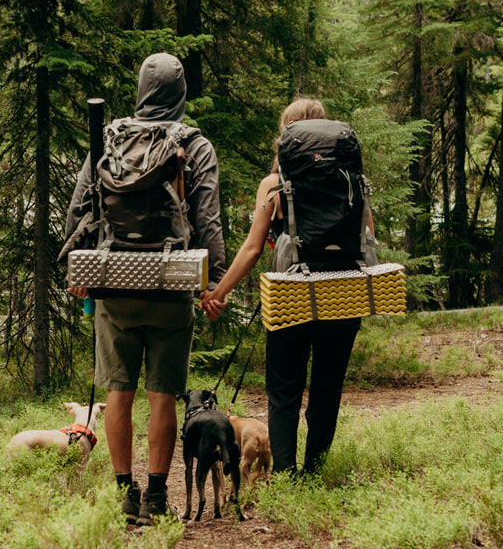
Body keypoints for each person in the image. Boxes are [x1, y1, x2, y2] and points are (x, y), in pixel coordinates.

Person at [64, 53, 226, 525]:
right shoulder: (194, 145)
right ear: (181, 95)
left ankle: (124, 493)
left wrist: (79, 272)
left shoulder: (108, 138)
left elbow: (80, 210)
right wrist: (213, 284)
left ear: (140, 91)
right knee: (162, 395)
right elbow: (208, 219)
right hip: (171, 284)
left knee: (118, 390)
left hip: (114, 285)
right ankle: (156, 496)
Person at [200, 98, 369, 477]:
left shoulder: (275, 185)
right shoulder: (352, 180)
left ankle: (286, 474)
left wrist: (219, 292)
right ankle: (314, 471)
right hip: (343, 292)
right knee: (327, 390)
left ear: (287, 137)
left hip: (291, 296)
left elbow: (252, 248)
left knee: (284, 392)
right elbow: (367, 235)